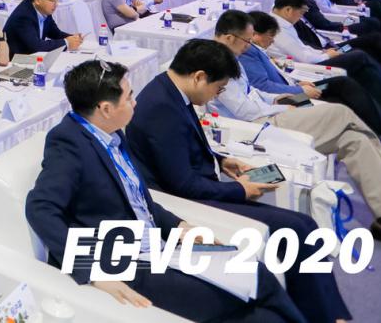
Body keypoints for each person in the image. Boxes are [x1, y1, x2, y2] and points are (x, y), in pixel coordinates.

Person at [25, 60, 303, 323]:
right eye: (129, 98)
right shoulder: (69, 144)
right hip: (126, 260)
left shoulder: (111, 134)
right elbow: (40, 208)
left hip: (157, 245)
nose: (135, 103)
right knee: (249, 299)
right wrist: (92, 271)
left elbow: (135, 200)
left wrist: (179, 225)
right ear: (106, 109)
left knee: (258, 277)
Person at [125, 39, 350, 323]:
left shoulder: (169, 90)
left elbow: (178, 148)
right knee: (297, 228)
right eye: (218, 89)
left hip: (196, 184)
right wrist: (240, 190)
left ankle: (326, 313)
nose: (215, 96)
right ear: (199, 77)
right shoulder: (162, 107)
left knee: (302, 225)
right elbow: (182, 185)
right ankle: (325, 316)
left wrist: (221, 160)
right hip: (184, 201)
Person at [208, 11, 381, 249]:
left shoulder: (232, 55)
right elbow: (245, 110)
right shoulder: (215, 62)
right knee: (341, 112)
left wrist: (280, 99)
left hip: (273, 109)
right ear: (230, 37)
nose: (249, 44)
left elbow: (254, 92)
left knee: (354, 139)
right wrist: (282, 105)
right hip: (257, 127)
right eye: (246, 40)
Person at [244, 11, 381, 155]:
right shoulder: (248, 53)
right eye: (270, 36)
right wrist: (299, 90)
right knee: (345, 80)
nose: (273, 41)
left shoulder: (257, 48)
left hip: (298, 85)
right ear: (255, 34)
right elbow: (263, 86)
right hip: (290, 100)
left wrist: (298, 83)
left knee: (352, 77)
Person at [3, 0, 84, 56]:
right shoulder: (23, 16)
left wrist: (73, 38)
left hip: (32, 57)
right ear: (38, 0)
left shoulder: (43, 10)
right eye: (52, 0)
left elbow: (55, 33)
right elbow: (36, 46)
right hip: (16, 61)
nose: (56, 4)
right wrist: (66, 43)